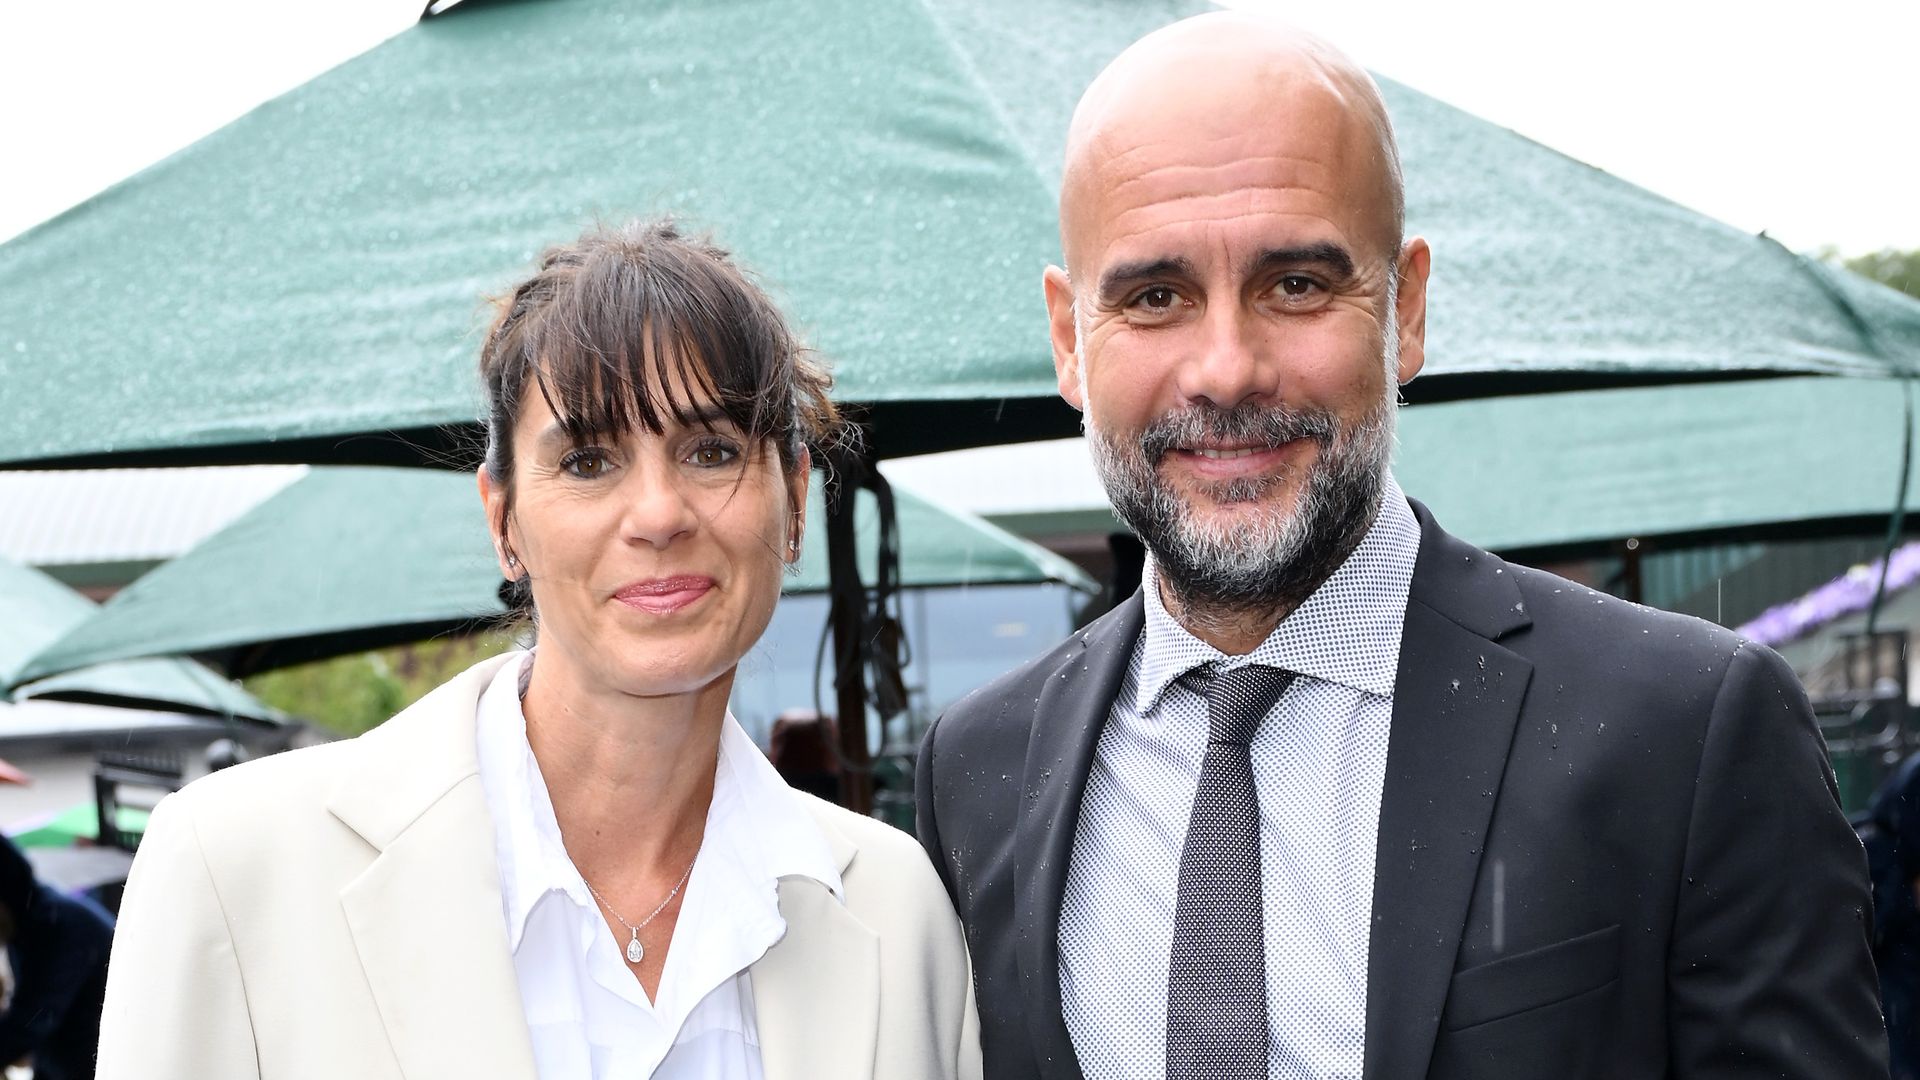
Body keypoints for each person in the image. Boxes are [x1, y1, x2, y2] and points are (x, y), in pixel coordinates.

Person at [914, 13, 1885, 1080]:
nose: (1226, 370)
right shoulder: (978, 769)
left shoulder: (1686, 729)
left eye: (1296, 284)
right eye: (1156, 298)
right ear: (1068, 340)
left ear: (1407, 309)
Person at [98, 220, 980, 1079]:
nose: (659, 514)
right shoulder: (231, 867)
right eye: (589, 460)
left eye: (711, 451)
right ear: (503, 522)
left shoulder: (900, 913)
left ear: (792, 499)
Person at [0, 835, 113, 1080]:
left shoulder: (60, 930)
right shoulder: (27, 922)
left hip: (94, 1066)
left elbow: (28, 1025)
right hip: (60, 1059)